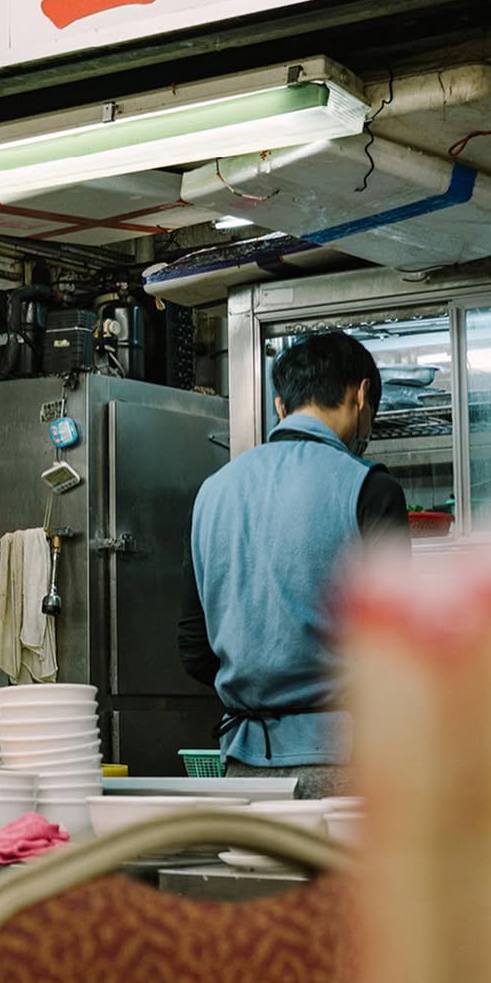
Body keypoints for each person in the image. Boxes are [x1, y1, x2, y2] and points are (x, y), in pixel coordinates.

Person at [178, 331, 409, 799]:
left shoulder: (212, 492)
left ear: (281, 405)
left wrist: (264, 693)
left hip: (242, 773)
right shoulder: (370, 487)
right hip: (347, 769)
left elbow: (193, 649)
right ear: (362, 394)